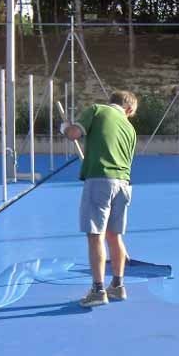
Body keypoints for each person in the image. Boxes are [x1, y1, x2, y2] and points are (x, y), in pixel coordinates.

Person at [61, 90, 138, 307]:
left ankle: (98, 290)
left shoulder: (98, 110)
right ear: (129, 109)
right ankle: (118, 285)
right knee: (114, 236)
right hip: (123, 183)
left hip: (100, 180)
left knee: (95, 235)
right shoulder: (130, 129)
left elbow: (74, 134)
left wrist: (65, 128)